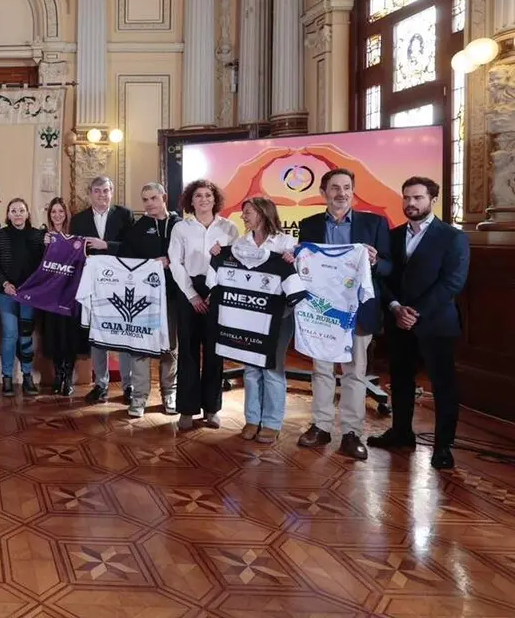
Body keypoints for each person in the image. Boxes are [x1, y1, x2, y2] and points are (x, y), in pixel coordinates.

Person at [368, 176, 469, 471]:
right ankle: (401, 433)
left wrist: (415, 312)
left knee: (443, 386)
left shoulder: (452, 237)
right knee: (400, 380)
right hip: (398, 322)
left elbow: (453, 282)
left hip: (436, 324)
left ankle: (443, 447)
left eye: (418, 198)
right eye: (406, 197)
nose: (411, 203)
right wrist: (397, 308)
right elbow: (383, 277)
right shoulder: (394, 235)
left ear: (432, 200)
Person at [296, 168, 391, 461]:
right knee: (322, 370)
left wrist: (375, 263)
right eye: (335, 188)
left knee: (354, 372)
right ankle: (321, 426)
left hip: (357, 312)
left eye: (347, 187)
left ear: (353, 191)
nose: (342, 193)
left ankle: (351, 433)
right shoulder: (309, 224)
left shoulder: (374, 223)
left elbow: (390, 268)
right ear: (324, 193)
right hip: (321, 312)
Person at [168, 178, 239, 430]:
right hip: (188, 291)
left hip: (217, 291)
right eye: (198, 196)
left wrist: (214, 293)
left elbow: (233, 264)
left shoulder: (229, 228)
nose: (203, 200)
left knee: (214, 350)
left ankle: (211, 408)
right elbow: (175, 263)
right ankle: (186, 409)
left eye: (208, 195)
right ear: (191, 200)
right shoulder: (181, 228)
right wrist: (193, 295)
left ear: (215, 199)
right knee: (187, 350)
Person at [234, 196, 297, 444]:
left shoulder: (287, 242)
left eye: (248, 212)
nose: (244, 216)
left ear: (262, 212)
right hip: (249, 316)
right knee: (250, 367)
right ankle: (252, 418)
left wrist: (295, 261)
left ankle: (271, 422)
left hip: (280, 316)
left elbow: (299, 276)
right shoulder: (240, 243)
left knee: (272, 367)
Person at [71, 176, 135, 405]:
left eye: (106, 190)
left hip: (121, 285)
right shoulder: (78, 220)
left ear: (112, 192)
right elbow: (74, 253)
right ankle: (101, 385)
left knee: (124, 334)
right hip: (94, 286)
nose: (102, 195)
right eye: (97, 191)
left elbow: (132, 247)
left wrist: (106, 245)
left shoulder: (125, 215)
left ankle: (129, 386)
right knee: (97, 336)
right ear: (90, 194)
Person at [122, 182, 181, 413]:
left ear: (163, 197)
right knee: (140, 348)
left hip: (172, 296)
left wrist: (169, 260)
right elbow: (127, 260)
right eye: (145, 200)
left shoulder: (179, 225)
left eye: (153, 198)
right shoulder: (138, 228)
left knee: (170, 347)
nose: (149, 204)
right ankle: (139, 397)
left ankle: (170, 393)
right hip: (143, 299)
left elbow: (187, 255)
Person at [0, 198, 44, 397]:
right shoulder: (0, 235)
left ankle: (27, 376)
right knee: (10, 334)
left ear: (28, 213)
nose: (18, 214)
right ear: (8, 215)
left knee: (25, 335)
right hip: (6, 293)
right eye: (14, 210)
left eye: (21, 210)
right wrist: (5, 284)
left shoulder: (38, 236)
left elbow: (43, 265)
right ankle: (7, 377)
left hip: (28, 294)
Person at [39, 198, 81, 396]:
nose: (57, 215)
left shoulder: (76, 237)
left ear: (66, 214)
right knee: (54, 336)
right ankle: (58, 375)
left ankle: (68, 377)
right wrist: (44, 245)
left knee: (69, 336)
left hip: (70, 296)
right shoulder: (44, 236)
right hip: (50, 296)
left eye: (60, 211)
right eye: (53, 212)